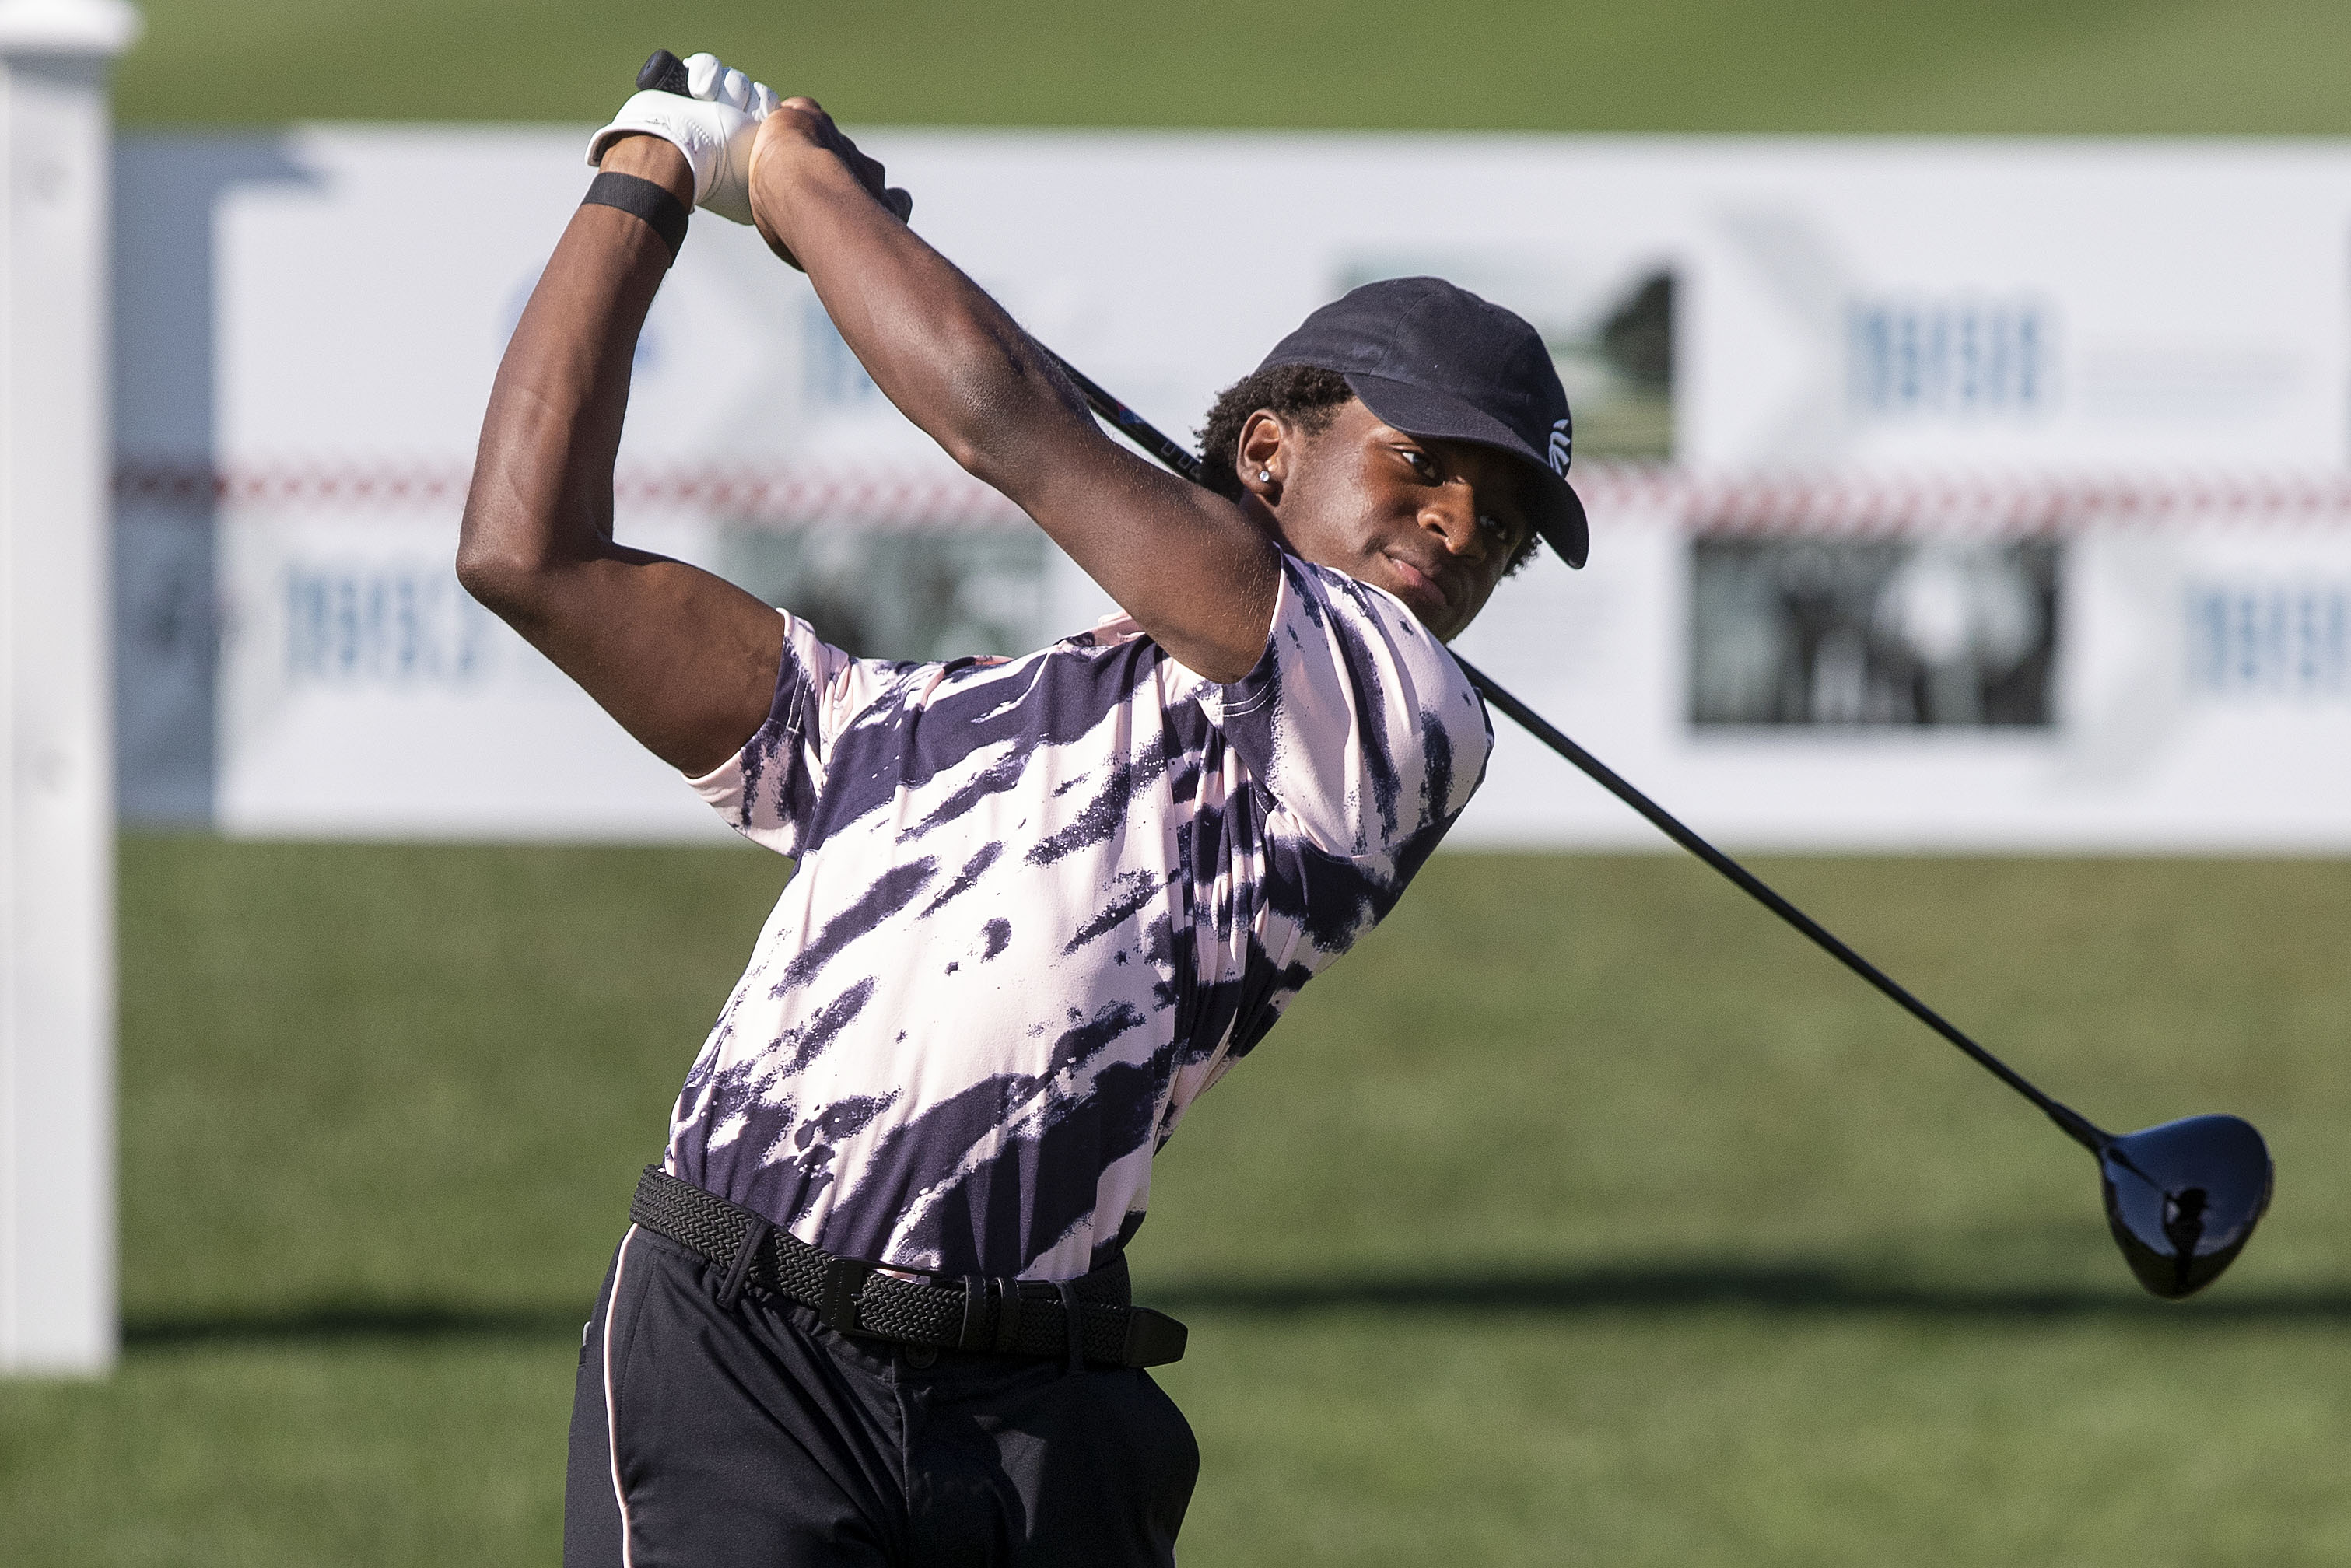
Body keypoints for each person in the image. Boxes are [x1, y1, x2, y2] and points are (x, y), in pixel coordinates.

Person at [457, 52, 1589, 1568]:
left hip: (1042, 1419)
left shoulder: (1403, 721)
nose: (1459, 526)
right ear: (1269, 452)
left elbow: (1004, 419)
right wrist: (647, 166)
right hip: (739, 1366)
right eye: (1424, 465)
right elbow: (530, 556)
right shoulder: (906, 729)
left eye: (1501, 527)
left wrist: (789, 176)